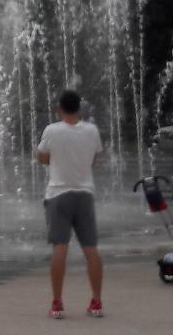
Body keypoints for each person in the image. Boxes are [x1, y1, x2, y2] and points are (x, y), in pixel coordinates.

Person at [36, 89, 104, 319]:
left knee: (59, 248)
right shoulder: (92, 130)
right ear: (79, 108)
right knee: (91, 250)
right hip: (85, 193)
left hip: (58, 193)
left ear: (59, 108)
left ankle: (57, 303)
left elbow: (42, 157)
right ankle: (96, 302)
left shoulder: (52, 130)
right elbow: (94, 159)